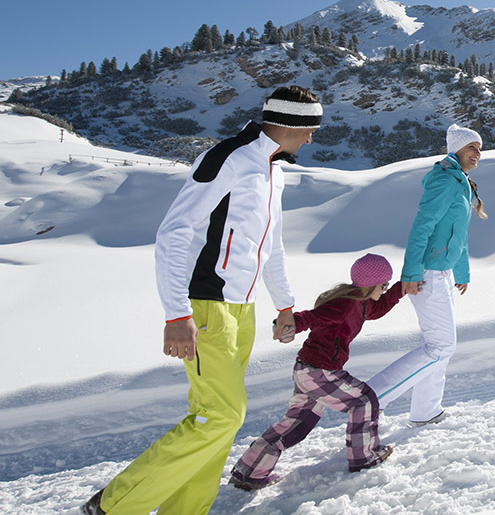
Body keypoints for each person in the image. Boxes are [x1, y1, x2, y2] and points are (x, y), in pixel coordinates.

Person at [83, 86, 321, 515]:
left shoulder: (273, 170)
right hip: (207, 303)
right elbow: (174, 231)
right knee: (221, 415)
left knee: (217, 420)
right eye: (309, 131)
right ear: (290, 124)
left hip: (241, 309)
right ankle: (114, 505)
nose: (310, 140)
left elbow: (272, 244)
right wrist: (176, 313)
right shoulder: (228, 158)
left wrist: (284, 305)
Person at [228, 253, 404, 491]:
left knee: (296, 424)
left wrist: (401, 288)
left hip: (307, 369)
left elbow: (378, 309)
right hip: (320, 371)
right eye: (383, 285)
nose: (384, 290)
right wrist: (289, 324)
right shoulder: (345, 304)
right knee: (364, 401)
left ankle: (249, 472)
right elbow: (313, 318)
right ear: (371, 284)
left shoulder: (360, 303)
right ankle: (364, 457)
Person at [365, 123, 486, 426]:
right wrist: (411, 273)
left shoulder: (460, 183)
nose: (478, 153)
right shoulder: (446, 181)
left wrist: (461, 270)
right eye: (472, 147)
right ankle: (370, 400)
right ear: (456, 147)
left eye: (480, 148)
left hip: (442, 273)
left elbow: (459, 234)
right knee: (441, 346)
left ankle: (426, 410)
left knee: (440, 346)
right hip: (428, 274)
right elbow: (423, 227)